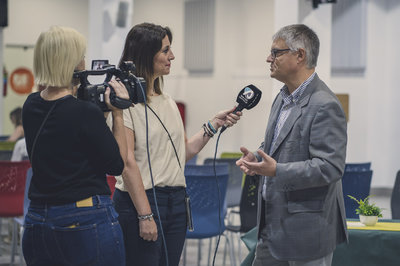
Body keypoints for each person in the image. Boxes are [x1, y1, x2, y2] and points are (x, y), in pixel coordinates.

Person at [111, 22, 241, 266]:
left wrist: (213, 125)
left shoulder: (168, 101)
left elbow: (183, 152)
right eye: (165, 50)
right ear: (146, 54)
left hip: (176, 203)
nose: (172, 56)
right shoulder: (124, 104)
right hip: (143, 203)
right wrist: (145, 214)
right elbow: (127, 163)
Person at [236, 24, 348, 266]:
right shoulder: (282, 96)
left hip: (306, 232)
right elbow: (276, 143)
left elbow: (330, 167)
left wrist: (276, 170)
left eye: (276, 52)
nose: (269, 58)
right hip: (272, 226)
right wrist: (257, 157)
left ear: (300, 56)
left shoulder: (325, 104)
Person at [21, 26, 129, 266]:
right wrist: (118, 114)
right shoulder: (84, 112)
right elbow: (116, 164)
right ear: (72, 63)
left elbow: (69, 138)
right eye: (81, 55)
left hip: (38, 217)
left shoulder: (30, 106)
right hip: (84, 218)